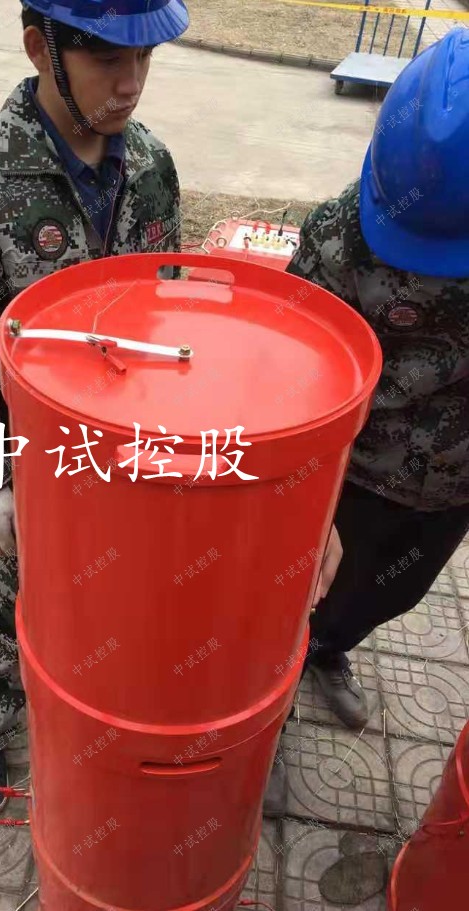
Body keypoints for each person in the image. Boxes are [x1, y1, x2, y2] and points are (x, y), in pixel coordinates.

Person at [0, 0, 189, 815]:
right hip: (28, 453)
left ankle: (97, 694)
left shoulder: (151, 166)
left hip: (122, 442)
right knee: (14, 598)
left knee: (118, 587)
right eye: (106, 57)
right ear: (40, 48)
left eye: (144, 57)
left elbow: (165, 304)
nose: (130, 83)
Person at [286, 27, 469, 733]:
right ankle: (269, 696)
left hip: (450, 482)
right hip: (352, 474)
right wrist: (303, 499)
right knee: (304, 589)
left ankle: (328, 648)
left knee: (390, 593)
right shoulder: (339, 237)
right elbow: (294, 376)